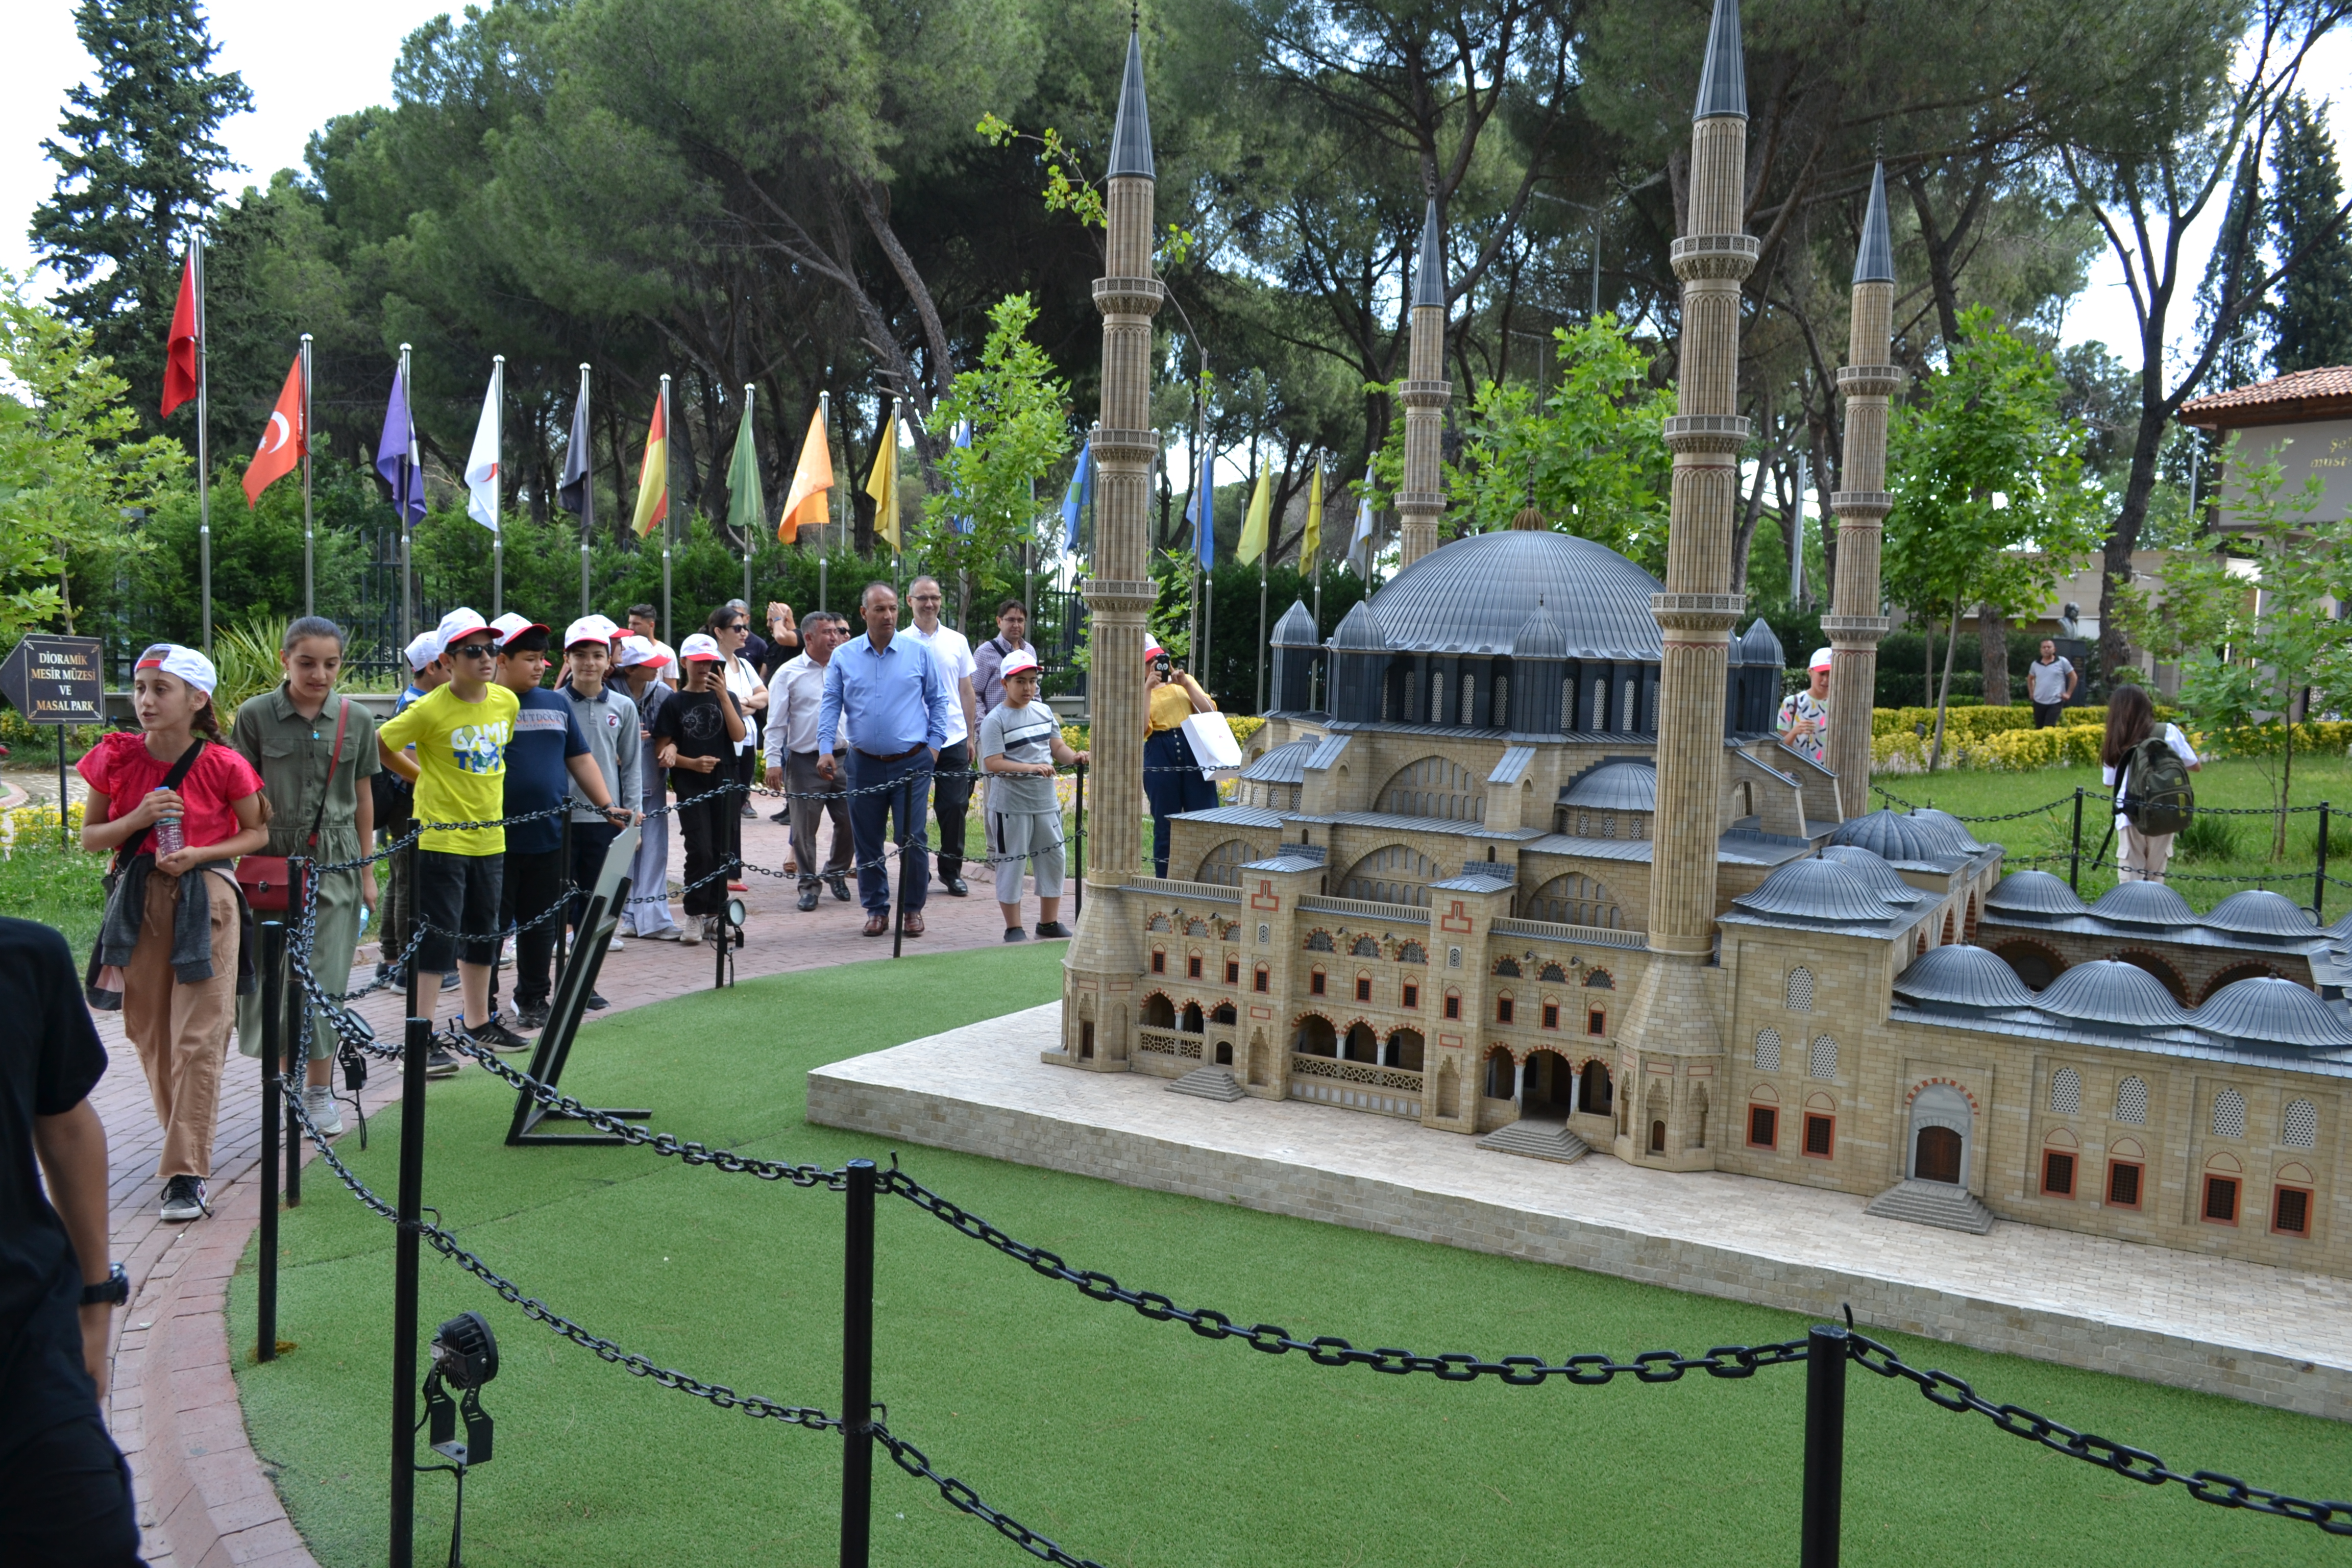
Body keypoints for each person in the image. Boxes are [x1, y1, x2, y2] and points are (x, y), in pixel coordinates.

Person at [79, 643, 270, 1221]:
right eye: (141, 688)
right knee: (150, 1033)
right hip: (137, 901)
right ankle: (181, 1143)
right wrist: (137, 819)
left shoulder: (222, 763)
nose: (145, 701)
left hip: (206, 898)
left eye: (161, 689)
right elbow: (92, 837)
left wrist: (201, 854)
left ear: (197, 698)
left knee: (200, 1035)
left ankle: (187, 1171)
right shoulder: (114, 758)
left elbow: (258, 832)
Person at [1, 918, 140, 1566]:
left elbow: (66, 1128)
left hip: (22, 1343)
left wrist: (95, 1302)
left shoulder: (24, 956)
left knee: (96, 1539)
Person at [231, 617, 380, 1137]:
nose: (320, 674)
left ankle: (318, 1089)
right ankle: (280, 1087)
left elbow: (363, 798)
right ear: (284, 660)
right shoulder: (254, 717)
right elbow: (239, 793)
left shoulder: (356, 719)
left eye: (331, 664)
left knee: (324, 978)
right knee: (269, 976)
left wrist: (367, 871)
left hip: (335, 858)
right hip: (270, 857)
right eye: (307, 663)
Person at [375, 609, 518, 1075]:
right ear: (448, 660)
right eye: (473, 651)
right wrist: (421, 778)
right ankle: (420, 1038)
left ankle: (479, 1023)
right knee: (436, 941)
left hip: (490, 839)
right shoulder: (429, 707)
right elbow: (382, 744)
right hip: (440, 841)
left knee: (484, 934)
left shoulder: (505, 702)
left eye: (491, 649)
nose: (485, 658)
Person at [484, 618, 631, 1034]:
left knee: (542, 923)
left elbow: (580, 758)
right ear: (502, 660)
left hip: (549, 836)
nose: (540, 666)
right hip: (494, 841)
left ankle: (533, 998)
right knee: (492, 927)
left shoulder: (555, 703)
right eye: (530, 659)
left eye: (542, 659)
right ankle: (483, 1008)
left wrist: (607, 806)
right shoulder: (484, 703)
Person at [820, 582, 952, 937]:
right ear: (864, 613)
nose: (888, 615)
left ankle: (912, 910)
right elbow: (831, 703)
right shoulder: (845, 656)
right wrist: (824, 749)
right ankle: (876, 909)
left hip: (912, 762)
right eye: (880, 609)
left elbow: (940, 701)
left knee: (913, 837)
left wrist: (934, 748)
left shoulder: (918, 652)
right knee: (868, 840)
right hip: (862, 763)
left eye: (893, 608)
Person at [978, 648, 1088, 941]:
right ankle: (1014, 927)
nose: (1028, 688)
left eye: (1033, 681)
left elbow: (1057, 748)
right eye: (1020, 682)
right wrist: (1031, 768)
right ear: (1004, 684)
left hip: (1045, 803)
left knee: (1054, 858)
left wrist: (1074, 757)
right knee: (1012, 862)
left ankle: (1048, 923)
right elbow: (993, 763)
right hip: (1010, 805)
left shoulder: (1043, 711)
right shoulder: (995, 719)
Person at [652, 633, 748, 942]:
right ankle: (693, 914)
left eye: (710, 663)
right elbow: (663, 750)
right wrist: (691, 764)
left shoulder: (728, 697)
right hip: (691, 783)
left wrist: (723, 697)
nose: (705, 668)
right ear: (684, 662)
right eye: (698, 662)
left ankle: (716, 914)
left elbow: (738, 735)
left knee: (722, 850)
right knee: (700, 849)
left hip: (725, 780)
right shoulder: (674, 701)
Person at [560, 618, 643, 971]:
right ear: (568, 659)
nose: (589, 663)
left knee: (596, 902)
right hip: (562, 818)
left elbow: (632, 767)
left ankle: (583, 980)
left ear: (610, 661)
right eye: (581, 655)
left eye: (598, 655)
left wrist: (635, 818)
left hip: (605, 819)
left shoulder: (623, 707)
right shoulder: (553, 704)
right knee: (559, 902)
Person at [764, 609, 854, 911]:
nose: (836, 637)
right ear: (809, 637)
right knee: (804, 829)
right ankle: (808, 885)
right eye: (828, 632)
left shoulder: (849, 667)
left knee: (852, 821)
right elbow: (775, 722)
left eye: (838, 632)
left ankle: (836, 872)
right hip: (804, 762)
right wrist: (773, 760)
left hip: (845, 759)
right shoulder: (789, 673)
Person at [374, 629, 448, 988]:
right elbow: (409, 757)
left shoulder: (411, 697)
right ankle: (408, 964)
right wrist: (436, 785)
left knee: (401, 879)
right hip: (411, 802)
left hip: (403, 801)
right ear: (433, 667)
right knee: (411, 883)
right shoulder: (420, 704)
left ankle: (390, 956)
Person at [903, 576, 980, 896]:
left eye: (935, 597)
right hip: (915, 739)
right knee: (913, 810)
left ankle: (951, 871)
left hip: (952, 737)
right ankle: (918, 871)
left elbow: (966, 690)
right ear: (910, 601)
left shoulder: (956, 641)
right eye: (923, 598)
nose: (930, 604)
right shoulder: (900, 640)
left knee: (953, 807)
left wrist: (971, 737)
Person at [615, 636, 687, 941]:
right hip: (617, 788)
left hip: (653, 783)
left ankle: (655, 920)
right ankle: (627, 918)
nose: (657, 670)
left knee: (655, 851)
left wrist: (671, 746)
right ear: (630, 669)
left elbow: (678, 731)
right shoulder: (610, 693)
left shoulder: (662, 693)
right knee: (622, 854)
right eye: (649, 666)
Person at [2101, 683, 2201, 884]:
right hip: (2164, 808)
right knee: (2156, 876)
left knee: (2131, 876)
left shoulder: (2116, 738)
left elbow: (2109, 783)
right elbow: (2195, 766)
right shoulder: (2168, 731)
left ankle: (2130, 914)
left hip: (2129, 812)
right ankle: (2153, 914)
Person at [1142, 640, 1217, 879]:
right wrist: (1147, 688)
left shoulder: (1183, 681)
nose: (1157, 665)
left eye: (1161, 659)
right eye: (1150, 662)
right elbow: (1141, 728)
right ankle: (1164, 882)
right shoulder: (1137, 690)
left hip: (1191, 745)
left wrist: (1185, 683)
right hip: (1159, 749)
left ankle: (1207, 878)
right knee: (1165, 824)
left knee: (1205, 817)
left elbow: (1211, 712)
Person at [709, 605, 769, 840]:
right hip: (725, 742)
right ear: (719, 632)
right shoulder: (713, 664)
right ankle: (726, 868)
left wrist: (742, 702)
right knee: (726, 807)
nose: (744, 632)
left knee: (738, 804)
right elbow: (718, 704)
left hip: (748, 739)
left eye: (745, 627)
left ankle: (733, 868)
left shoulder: (743, 663)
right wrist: (747, 705)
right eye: (737, 628)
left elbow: (764, 697)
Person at [972, 599, 1036, 717]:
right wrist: (983, 726)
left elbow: (1035, 691)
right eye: (1011, 620)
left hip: (1024, 727)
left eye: (1020, 621)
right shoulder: (985, 653)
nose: (1016, 625)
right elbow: (974, 694)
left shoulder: (1029, 651)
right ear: (999, 621)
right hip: (996, 726)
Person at [1776, 648, 1832, 765]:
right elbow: (1779, 748)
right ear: (1810, 672)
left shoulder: (1838, 706)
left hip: (1829, 773)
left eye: (1830, 674)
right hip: (1795, 774)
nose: (1826, 680)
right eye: (1822, 674)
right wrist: (1795, 732)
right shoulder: (1791, 703)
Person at [2028, 640, 2078, 727]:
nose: (2046, 649)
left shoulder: (2062, 662)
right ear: (2041, 650)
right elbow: (2030, 678)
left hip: (2055, 701)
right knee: (2039, 728)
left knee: (2049, 727)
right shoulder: (2035, 664)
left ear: (2054, 649)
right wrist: (2032, 693)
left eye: (2049, 647)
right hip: (2039, 701)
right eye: (2044, 647)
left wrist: (2068, 694)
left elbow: (2073, 677)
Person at [625, 603, 678, 682]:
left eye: (636, 624)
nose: (631, 627)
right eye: (630, 623)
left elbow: (671, 690)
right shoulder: (623, 647)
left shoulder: (667, 653)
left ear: (651, 625)